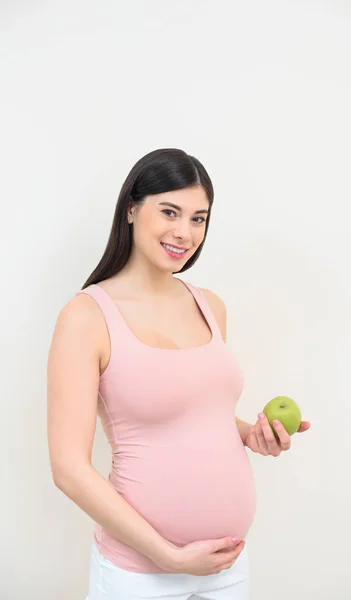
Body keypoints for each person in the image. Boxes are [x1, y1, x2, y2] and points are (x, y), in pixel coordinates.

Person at [47, 148, 310, 600]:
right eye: (170, 211)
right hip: (139, 575)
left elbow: (194, 413)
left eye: (198, 219)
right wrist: (166, 555)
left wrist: (249, 433)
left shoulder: (210, 305)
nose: (184, 232)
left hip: (227, 563)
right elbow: (68, 468)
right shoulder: (85, 316)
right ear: (131, 208)